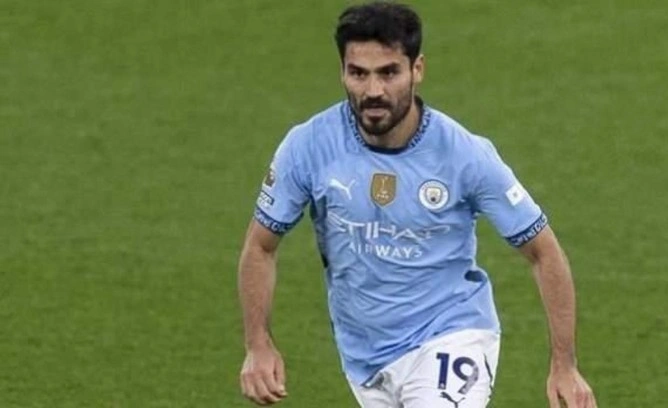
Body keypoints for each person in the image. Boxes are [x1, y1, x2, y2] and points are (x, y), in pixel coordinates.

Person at [238, 1, 597, 407]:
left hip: (452, 334)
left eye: (389, 72)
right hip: (365, 357)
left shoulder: (464, 155)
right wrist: (258, 344)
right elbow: (260, 247)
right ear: (342, 72)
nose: (373, 91)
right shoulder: (308, 146)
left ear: (417, 69)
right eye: (358, 73)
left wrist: (564, 364)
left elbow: (543, 251)